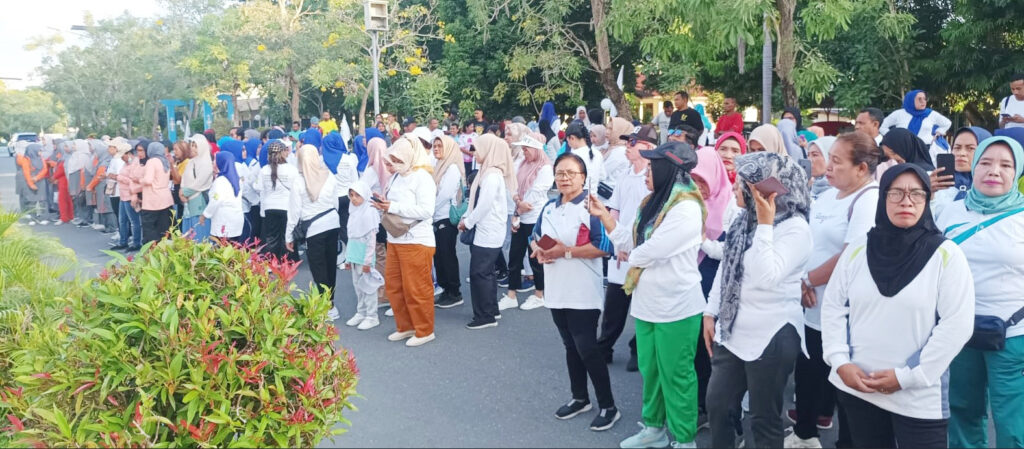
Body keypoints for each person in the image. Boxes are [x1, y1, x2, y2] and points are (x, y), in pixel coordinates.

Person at [822, 163, 974, 448]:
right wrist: (840, 361)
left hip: (918, 398)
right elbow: (833, 307)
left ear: (927, 200)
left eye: (917, 193)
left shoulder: (946, 255)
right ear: (883, 198)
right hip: (859, 386)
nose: (906, 201)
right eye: (896, 193)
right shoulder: (858, 249)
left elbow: (957, 325)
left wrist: (907, 377)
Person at [590, 141, 706, 449]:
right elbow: (629, 239)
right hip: (647, 303)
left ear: (669, 169)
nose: (645, 172)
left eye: (652, 167)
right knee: (651, 371)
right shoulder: (652, 203)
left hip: (677, 306)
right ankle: (654, 429)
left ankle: (684, 439)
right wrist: (604, 216)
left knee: (677, 375)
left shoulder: (687, 207)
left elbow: (651, 250)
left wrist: (630, 254)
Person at [703, 151, 812, 449]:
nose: (735, 188)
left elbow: (767, 276)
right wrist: (710, 312)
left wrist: (765, 224)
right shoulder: (743, 220)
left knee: (764, 418)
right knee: (718, 405)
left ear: (766, 191)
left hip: (772, 334)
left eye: (744, 184)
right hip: (733, 329)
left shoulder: (796, 228)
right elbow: (727, 266)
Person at [787, 132, 880, 448]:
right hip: (814, 304)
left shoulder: (868, 200)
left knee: (845, 385)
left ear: (862, 168)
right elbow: (807, 241)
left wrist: (808, 281)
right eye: (829, 158)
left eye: (837, 161)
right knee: (809, 373)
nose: (828, 166)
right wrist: (801, 278)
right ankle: (805, 434)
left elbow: (849, 255)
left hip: (845, 311)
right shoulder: (829, 196)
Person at [935, 136, 1024, 448]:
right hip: (960, 332)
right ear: (973, 167)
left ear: (1017, 172)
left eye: (1005, 165)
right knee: (963, 412)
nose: (994, 171)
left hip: (1014, 337)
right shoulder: (950, 212)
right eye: (985, 162)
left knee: (1013, 423)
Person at [531, 152, 620, 432]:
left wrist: (565, 252)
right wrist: (538, 251)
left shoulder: (591, 208)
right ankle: (580, 398)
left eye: (571, 173)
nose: (565, 178)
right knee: (570, 346)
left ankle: (608, 406)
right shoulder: (549, 207)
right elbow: (535, 237)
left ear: (584, 178)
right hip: (556, 288)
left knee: (587, 348)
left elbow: (604, 246)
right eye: (560, 173)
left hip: (583, 291)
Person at [595, 124, 656, 371]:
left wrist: (629, 244)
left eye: (632, 142)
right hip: (621, 249)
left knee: (642, 305)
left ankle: (637, 349)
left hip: (642, 250)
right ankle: (604, 347)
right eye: (627, 142)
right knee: (614, 304)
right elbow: (615, 210)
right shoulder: (625, 175)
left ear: (648, 147)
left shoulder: (653, 178)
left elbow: (647, 216)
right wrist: (617, 241)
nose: (627, 147)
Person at [370, 136, 437, 347]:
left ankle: (424, 330)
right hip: (395, 238)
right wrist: (383, 203)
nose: (393, 164)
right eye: (391, 160)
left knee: (417, 288)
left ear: (409, 157)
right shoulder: (396, 177)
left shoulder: (422, 177)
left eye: (398, 160)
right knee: (394, 286)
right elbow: (395, 203)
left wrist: (392, 207)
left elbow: (427, 210)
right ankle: (405, 326)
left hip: (417, 240)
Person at [689, 146, 734, 425]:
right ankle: (700, 407)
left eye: (703, 180)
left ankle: (721, 413)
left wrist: (702, 239)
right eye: (693, 179)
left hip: (715, 285)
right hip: (691, 282)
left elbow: (727, 251)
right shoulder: (687, 202)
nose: (698, 186)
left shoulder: (731, 203)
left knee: (713, 351)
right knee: (695, 350)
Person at [458, 134, 513, 329]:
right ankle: (491, 310)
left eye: (477, 148)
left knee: (479, 273)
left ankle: (484, 316)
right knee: (487, 273)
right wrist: (467, 218)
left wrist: (467, 222)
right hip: (488, 230)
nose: (474, 152)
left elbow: (484, 205)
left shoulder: (491, 175)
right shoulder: (488, 172)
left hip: (488, 231)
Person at [286, 144, 341, 320]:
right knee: (331, 264)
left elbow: (294, 212)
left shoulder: (299, 181)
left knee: (318, 267)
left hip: (313, 229)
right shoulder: (328, 175)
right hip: (332, 223)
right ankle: (331, 303)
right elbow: (335, 203)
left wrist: (289, 236)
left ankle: (326, 305)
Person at [505, 133, 552, 311]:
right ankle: (511, 294)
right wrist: (518, 203)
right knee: (514, 256)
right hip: (520, 215)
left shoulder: (545, 168)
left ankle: (539, 294)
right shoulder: (522, 164)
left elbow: (536, 193)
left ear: (536, 149)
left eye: (527, 149)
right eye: (523, 149)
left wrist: (519, 207)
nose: (524, 152)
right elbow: (513, 187)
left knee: (536, 258)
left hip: (536, 219)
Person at [431, 135, 467, 309]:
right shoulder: (439, 165)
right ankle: (446, 290)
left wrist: (429, 210)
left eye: (440, 146)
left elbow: (445, 195)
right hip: (436, 216)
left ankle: (454, 292)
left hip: (445, 216)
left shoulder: (452, 168)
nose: (436, 148)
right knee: (439, 256)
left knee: (447, 256)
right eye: (434, 145)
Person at [342, 180, 382, 331]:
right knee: (358, 287)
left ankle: (372, 316)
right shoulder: (353, 212)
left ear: (365, 195)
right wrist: (348, 258)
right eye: (351, 195)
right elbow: (351, 237)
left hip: (365, 257)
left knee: (368, 287)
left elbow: (371, 240)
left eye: (357, 195)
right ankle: (361, 312)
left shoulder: (369, 212)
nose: (354, 198)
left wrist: (367, 262)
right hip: (354, 256)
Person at [929, 127, 992, 216]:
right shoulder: (935, 183)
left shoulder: (994, 189)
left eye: (970, 148)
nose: (961, 153)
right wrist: (927, 194)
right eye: (957, 148)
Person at [255, 140, 298, 259]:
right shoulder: (291, 169)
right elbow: (296, 188)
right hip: (286, 206)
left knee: (271, 237)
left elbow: (257, 187)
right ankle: (287, 261)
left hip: (269, 207)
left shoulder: (264, 170)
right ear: (283, 152)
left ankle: (271, 261)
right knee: (286, 236)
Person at [323, 131, 359, 255]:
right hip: (347, 196)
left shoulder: (322, 160)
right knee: (345, 226)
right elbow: (355, 180)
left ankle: (333, 254)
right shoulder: (348, 159)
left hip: (329, 199)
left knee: (330, 227)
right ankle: (348, 254)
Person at [880, 90, 952, 145]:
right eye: (919, 99)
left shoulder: (930, 114)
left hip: (926, 148)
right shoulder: (899, 114)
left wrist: (939, 132)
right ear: (911, 100)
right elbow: (882, 125)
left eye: (924, 99)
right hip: (903, 148)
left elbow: (947, 123)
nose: (923, 101)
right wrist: (892, 137)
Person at [202, 151, 245, 241]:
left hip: (224, 222)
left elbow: (216, 200)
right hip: (236, 221)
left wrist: (205, 215)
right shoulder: (236, 179)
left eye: (215, 160)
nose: (213, 162)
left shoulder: (221, 181)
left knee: (223, 248)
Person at [137, 141, 174, 245]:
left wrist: (140, 180)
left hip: (153, 200)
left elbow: (148, 180)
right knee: (164, 228)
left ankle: (152, 250)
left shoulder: (152, 161)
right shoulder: (165, 161)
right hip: (165, 198)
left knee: (150, 228)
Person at [181, 135, 214, 241]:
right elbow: (184, 179)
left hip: (199, 201)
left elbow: (200, 183)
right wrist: (181, 192)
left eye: (196, 146)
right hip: (188, 202)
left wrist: (184, 192)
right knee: (188, 235)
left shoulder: (206, 163)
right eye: (192, 145)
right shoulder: (191, 162)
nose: (193, 148)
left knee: (200, 234)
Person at [113, 142, 143, 251]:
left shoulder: (135, 164)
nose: (122, 158)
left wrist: (118, 177)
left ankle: (136, 242)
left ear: (129, 154)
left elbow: (133, 180)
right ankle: (123, 241)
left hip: (130, 195)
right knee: (122, 220)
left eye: (123, 155)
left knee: (134, 221)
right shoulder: (126, 164)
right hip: (123, 195)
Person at [564, 120, 605, 195]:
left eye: (568, 141)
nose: (568, 144)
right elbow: (603, 176)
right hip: (593, 197)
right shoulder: (598, 153)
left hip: (576, 197)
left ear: (572, 138)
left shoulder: (573, 155)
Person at [600, 118, 634, 202]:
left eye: (611, 129)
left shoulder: (620, 151)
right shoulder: (610, 147)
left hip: (608, 197)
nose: (607, 132)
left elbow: (601, 173)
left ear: (620, 131)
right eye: (607, 128)